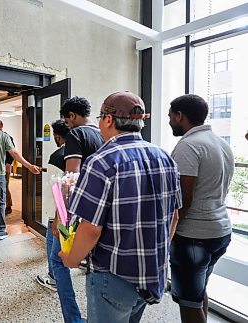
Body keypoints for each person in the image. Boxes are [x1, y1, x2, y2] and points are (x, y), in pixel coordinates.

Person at [59, 91, 182, 323]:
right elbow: (174, 216)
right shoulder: (165, 157)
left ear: (107, 120)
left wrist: (72, 259)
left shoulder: (101, 161)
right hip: (152, 273)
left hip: (113, 275)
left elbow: (91, 228)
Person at [168, 94, 234, 323]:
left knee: (188, 304)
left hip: (193, 237)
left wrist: (168, 233)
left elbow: (184, 200)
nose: (169, 122)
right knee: (198, 292)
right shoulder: (221, 143)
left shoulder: (188, 146)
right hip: (220, 231)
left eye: (170, 116)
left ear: (180, 116)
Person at [36, 120, 85, 323]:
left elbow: (56, 190)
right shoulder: (86, 150)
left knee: (56, 252)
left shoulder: (58, 156)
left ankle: (54, 277)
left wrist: (53, 217)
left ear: (57, 135)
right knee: (60, 246)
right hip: (80, 213)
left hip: (61, 214)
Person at [57, 96, 104, 275]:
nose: (67, 125)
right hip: (99, 203)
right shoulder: (103, 134)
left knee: (57, 256)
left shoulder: (76, 134)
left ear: (72, 115)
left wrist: (60, 215)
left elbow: (71, 179)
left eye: (67, 121)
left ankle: (59, 288)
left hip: (79, 206)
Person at [0, 113, 40, 240]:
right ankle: (0, 231)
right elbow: (14, 153)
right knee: (0, 203)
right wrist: (29, 166)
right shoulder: (4, 136)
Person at [0, 121, 15, 215]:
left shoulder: (7, 137)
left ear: (1, 126)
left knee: (5, 186)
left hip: (5, 166)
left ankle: (8, 206)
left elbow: (12, 152)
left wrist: (8, 163)